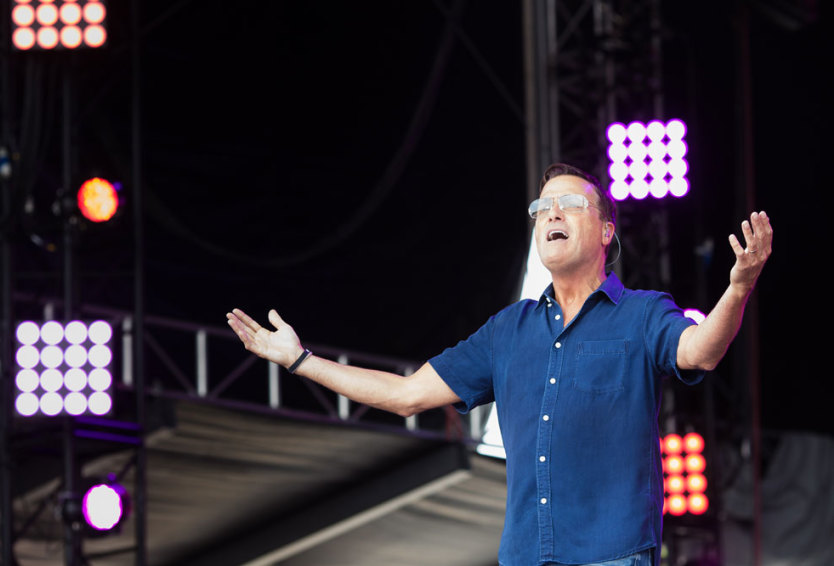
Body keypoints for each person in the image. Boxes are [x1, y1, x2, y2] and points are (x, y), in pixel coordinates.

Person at [226, 163, 773, 566]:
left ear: (607, 231)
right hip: (524, 557)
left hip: (612, 555)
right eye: (542, 208)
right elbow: (405, 395)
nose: (551, 213)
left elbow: (700, 350)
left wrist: (739, 288)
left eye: (570, 204)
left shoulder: (640, 314)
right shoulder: (507, 330)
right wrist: (300, 361)